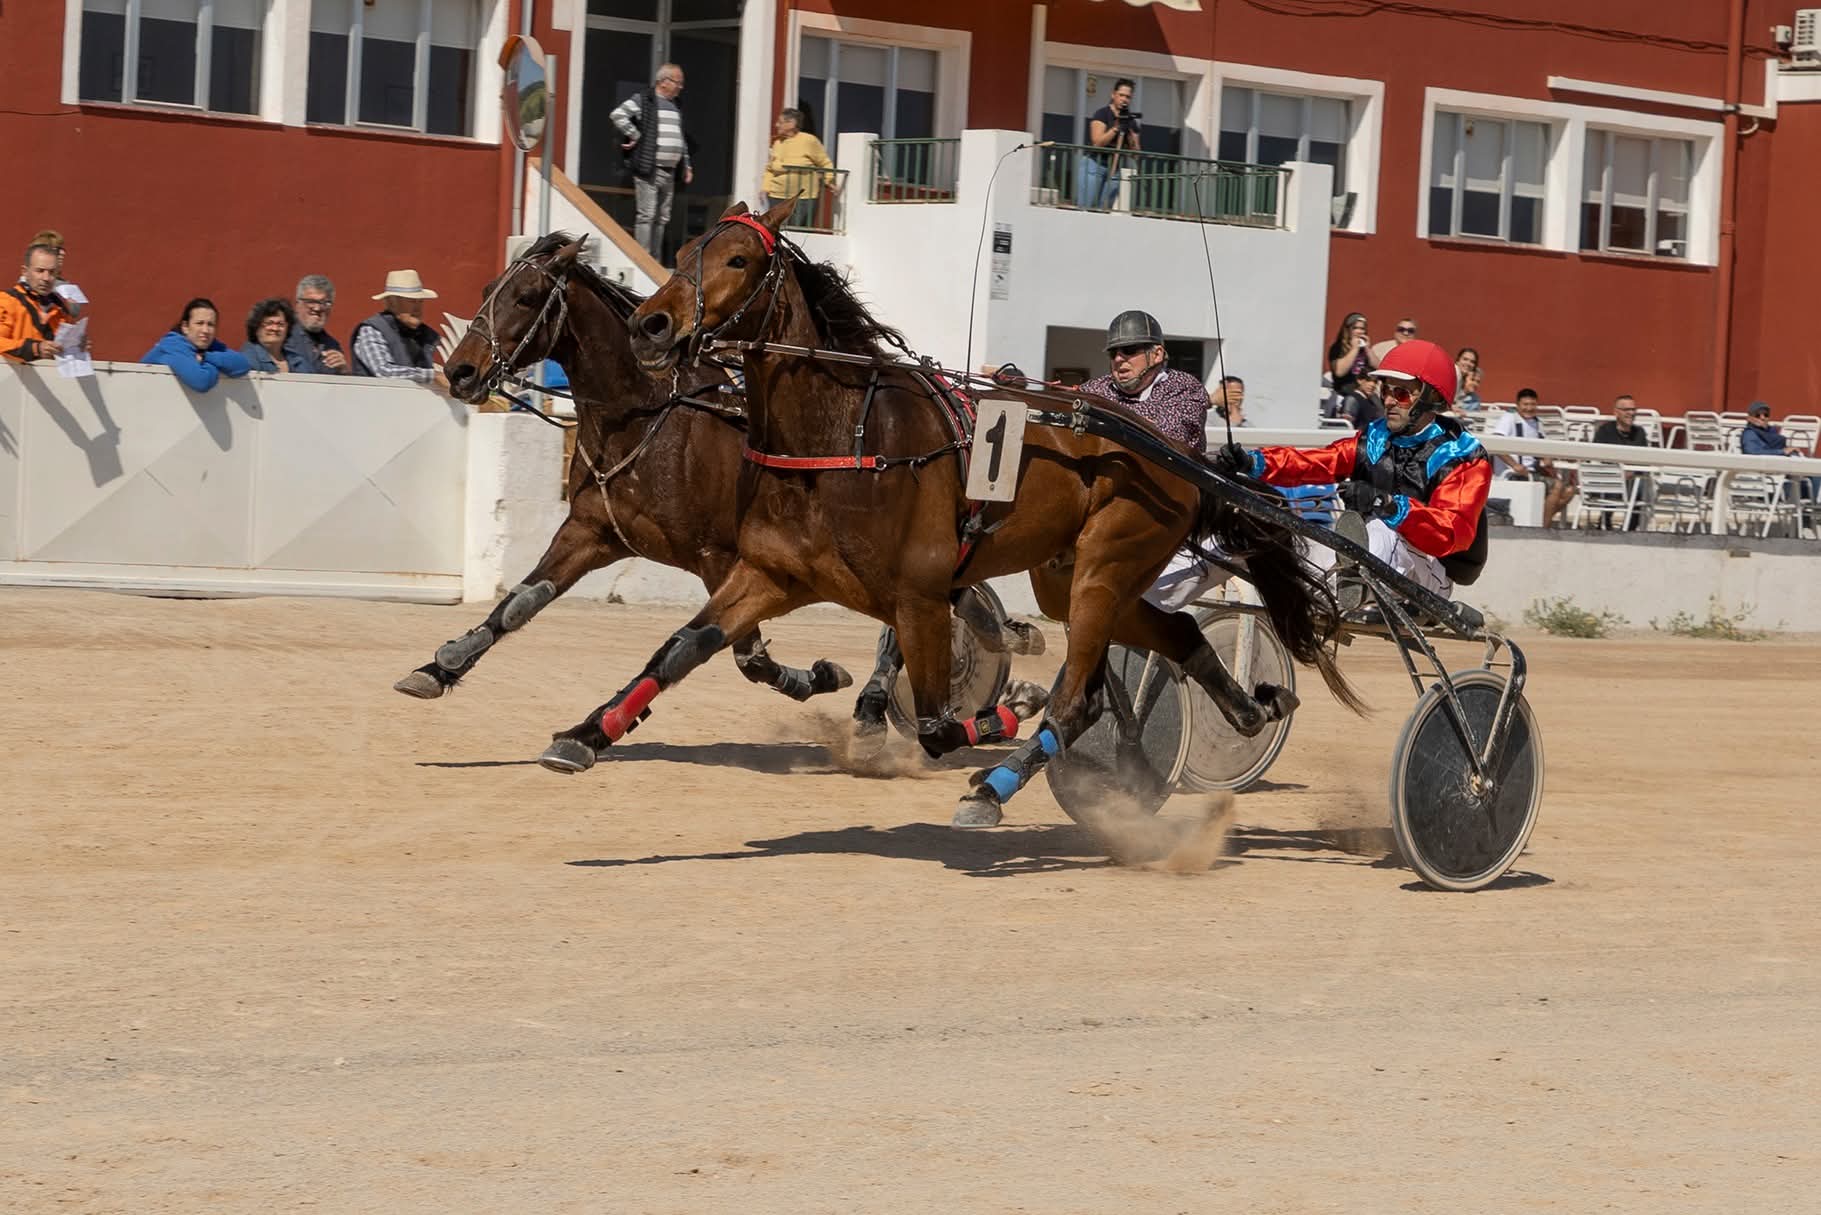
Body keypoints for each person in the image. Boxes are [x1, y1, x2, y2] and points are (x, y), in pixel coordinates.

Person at [1214, 339, 1491, 603]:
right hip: (1367, 552)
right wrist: (1252, 462)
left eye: (1401, 394)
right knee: (1301, 550)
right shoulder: (1374, 438)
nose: (1389, 401)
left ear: (1432, 398)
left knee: (1382, 530)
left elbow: (1451, 532)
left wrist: (1388, 505)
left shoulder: (1463, 456)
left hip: (1431, 571)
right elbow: (1318, 461)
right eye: (1385, 391)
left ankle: (1347, 585)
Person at [1079, 310, 1221, 609]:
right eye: (1114, 353)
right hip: (1106, 510)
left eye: (1129, 351)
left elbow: (1164, 436)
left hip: (1171, 513)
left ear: (1156, 354)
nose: (1119, 359)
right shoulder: (1095, 390)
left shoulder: (1185, 388)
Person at [611, 63, 693, 260]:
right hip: (650, 168)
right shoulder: (644, 99)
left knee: (662, 217)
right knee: (647, 215)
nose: (680, 87)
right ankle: (643, 259)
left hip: (670, 170)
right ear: (664, 82)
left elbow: (680, 138)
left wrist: (687, 164)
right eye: (678, 82)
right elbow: (618, 115)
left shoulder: (676, 105)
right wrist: (635, 135)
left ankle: (654, 260)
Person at [1491, 388, 1573, 528]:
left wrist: (1547, 458)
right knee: (1557, 486)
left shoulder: (1536, 423)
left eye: (1532, 404)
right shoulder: (1509, 419)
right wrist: (1514, 465)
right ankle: (1543, 528)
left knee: (1570, 490)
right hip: (1514, 474)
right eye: (1525, 404)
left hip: (1533, 472)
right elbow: (1496, 444)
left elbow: (1542, 446)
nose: (1529, 408)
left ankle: (1540, 523)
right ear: (1518, 405)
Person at [351, 270, 443, 383]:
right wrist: (433, 376)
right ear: (392, 303)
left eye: (420, 301)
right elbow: (384, 372)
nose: (417, 308)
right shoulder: (372, 330)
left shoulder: (428, 336)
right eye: (411, 301)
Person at [142, 298, 252, 390]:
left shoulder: (208, 346)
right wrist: (216, 364)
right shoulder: (173, 345)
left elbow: (243, 366)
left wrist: (206, 357)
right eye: (199, 323)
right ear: (185, 327)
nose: (205, 330)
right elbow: (202, 381)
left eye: (210, 325)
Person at [1, 243, 76, 363]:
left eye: (52, 272)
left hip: (48, 374)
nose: (46, 278)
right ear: (25, 272)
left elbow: (65, 358)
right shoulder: (6, 301)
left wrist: (77, 348)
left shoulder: (61, 310)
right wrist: (35, 348)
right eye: (40, 271)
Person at [762, 108, 836, 227]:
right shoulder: (777, 143)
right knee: (776, 230)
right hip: (777, 196)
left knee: (797, 231)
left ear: (791, 124)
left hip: (803, 198)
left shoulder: (809, 140)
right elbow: (770, 169)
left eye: (780, 122)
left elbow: (825, 162)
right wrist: (765, 187)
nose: (776, 125)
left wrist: (829, 180)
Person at [1079, 78, 1141, 211]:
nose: (1124, 99)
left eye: (1128, 97)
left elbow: (1136, 153)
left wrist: (1129, 132)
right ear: (1113, 94)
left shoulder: (1131, 121)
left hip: (1114, 167)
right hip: (1095, 164)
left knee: (1104, 209)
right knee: (1086, 208)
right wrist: (1116, 128)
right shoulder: (1102, 114)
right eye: (1121, 95)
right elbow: (1097, 142)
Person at [1592, 394, 1652, 530]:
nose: (1631, 413)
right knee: (1621, 484)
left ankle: (1629, 529)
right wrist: (1618, 472)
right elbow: (1597, 458)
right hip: (1608, 478)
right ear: (1616, 412)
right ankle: (1605, 522)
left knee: (1642, 485)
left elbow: (1645, 460)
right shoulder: (1605, 431)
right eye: (1626, 410)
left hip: (1632, 480)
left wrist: (1632, 471)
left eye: (1633, 409)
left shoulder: (1639, 432)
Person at [285, 274, 349, 374]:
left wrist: (343, 370)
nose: (317, 308)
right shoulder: (283, 336)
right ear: (297, 304)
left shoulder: (332, 345)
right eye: (311, 301)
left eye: (324, 303)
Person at [1325, 312, 1377, 421]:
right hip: (1346, 393)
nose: (1359, 331)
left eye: (1362, 329)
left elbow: (1378, 368)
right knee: (1351, 401)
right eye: (1355, 328)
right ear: (1348, 329)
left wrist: (1368, 349)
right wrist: (1354, 349)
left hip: (1365, 394)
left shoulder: (1365, 350)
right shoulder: (1337, 348)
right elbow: (1339, 371)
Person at [28, 229, 85, 318]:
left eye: (62, 249)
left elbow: (74, 312)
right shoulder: (28, 282)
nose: (62, 253)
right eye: (57, 249)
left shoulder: (63, 283)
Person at [241, 298, 300, 372]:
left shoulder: (296, 359)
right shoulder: (248, 358)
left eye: (280, 324)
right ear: (256, 326)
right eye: (269, 323)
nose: (275, 328)